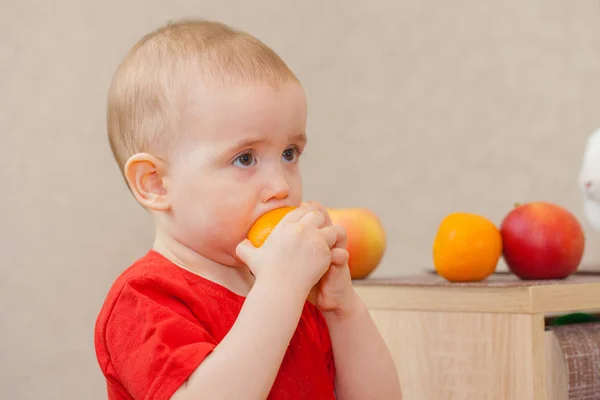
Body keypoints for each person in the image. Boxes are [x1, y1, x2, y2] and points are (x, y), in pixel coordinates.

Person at [94, 18, 402, 400]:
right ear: (155, 183)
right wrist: (280, 289)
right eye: (245, 159)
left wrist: (343, 310)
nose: (281, 187)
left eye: (290, 153)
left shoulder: (292, 291)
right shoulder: (144, 298)